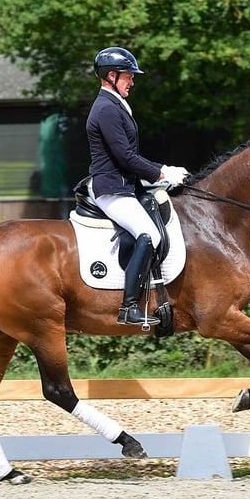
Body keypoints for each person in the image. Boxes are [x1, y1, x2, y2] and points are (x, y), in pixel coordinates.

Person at [86, 46, 189, 326]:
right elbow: (124, 156)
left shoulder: (116, 104)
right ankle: (129, 307)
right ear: (111, 76)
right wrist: (161, 172)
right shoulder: (106, 108)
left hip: (124, 185)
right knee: (149, 233)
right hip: (111, 188)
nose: (132, 81)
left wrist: (157, 176)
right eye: (129, 76)